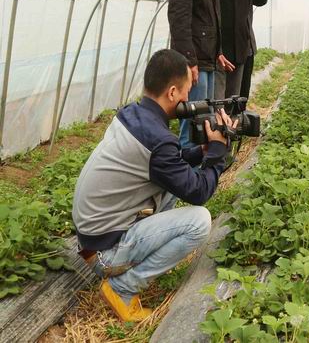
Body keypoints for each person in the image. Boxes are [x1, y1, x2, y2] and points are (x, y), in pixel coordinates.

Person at [72, 49, 236, 322]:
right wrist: (218, 153)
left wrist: (202, 152)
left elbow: (169, 165)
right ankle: (122, 287)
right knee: (199, 222)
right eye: (186, 92)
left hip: (93, 238)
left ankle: (133, 263)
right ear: (172, 92)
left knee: (173, 185)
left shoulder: (134, 115)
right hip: (105, 253)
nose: (187, 100)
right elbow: (199, 193)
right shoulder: (158, 139)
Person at [168, 0, 228, 148]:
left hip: (207, 58)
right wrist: (189, 61)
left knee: (205, 120)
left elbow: (209, 16)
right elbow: (178, 17)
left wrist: (217, 51)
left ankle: (199, 167)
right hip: (195, 61)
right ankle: (184, 169)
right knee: (192, 124)